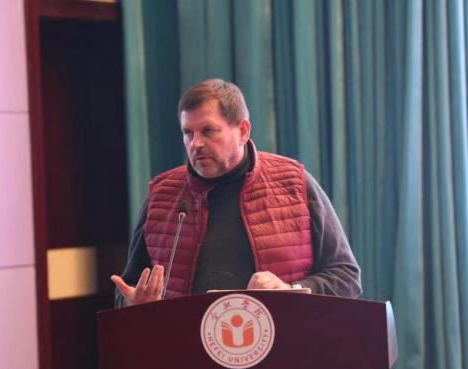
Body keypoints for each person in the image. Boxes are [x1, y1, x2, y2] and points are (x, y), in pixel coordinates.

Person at [112, 79, 361, 307]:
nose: (196, 143)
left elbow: (346, 278)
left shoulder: (295, 183)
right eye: (188, 133)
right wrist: (134, 304)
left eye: (208, 131)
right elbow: (127, 290)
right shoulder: (162, 195)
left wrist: (291, 290)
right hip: (186, 340)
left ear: (243, 131)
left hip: (282, 339)